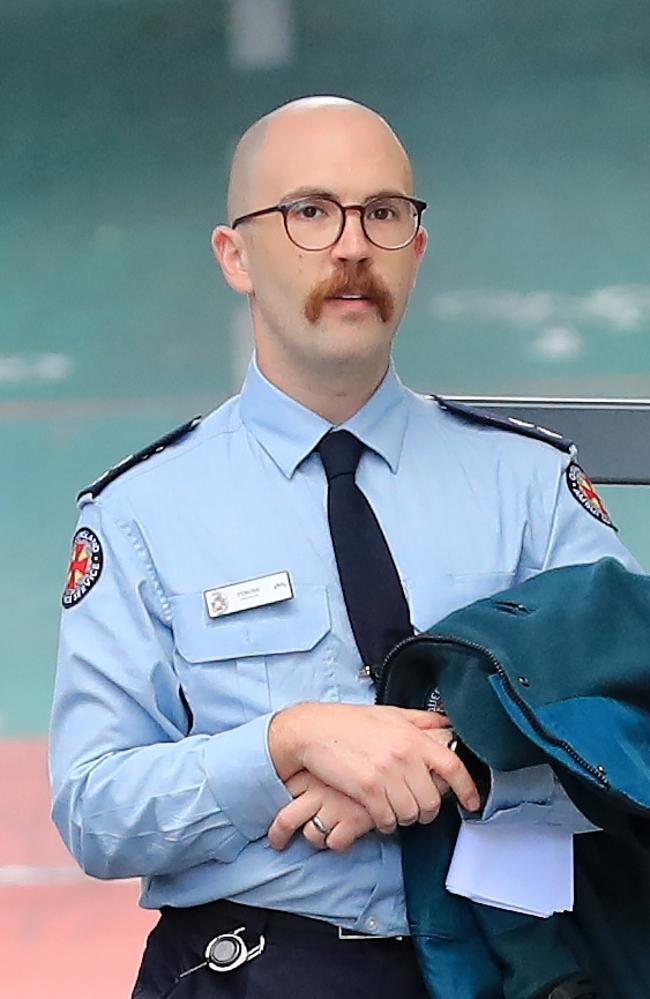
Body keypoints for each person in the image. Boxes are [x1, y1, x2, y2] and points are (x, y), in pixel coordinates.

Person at [49, 96, 639, 999]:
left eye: (385, 213)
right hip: (256, 967)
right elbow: (96, 812)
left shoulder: (528, 484)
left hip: (517, 966)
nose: (352, 244)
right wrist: (286, 745)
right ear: (235, 255)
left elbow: (636, 722)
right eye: (310, 211)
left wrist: (461, 761)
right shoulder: (142, 514)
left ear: (418, 249)